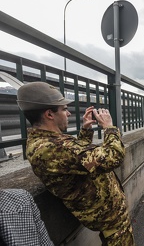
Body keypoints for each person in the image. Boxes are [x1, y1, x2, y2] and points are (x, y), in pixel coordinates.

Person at [16, 82, 135, 246]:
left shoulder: (48, 141)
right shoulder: (52, 148)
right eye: (64, 109)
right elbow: (113, 157)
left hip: (106, 212)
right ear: (50, 114)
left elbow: (76, 162)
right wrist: (109, 128)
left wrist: (85, 131)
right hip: (108, 218)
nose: (69, 114)